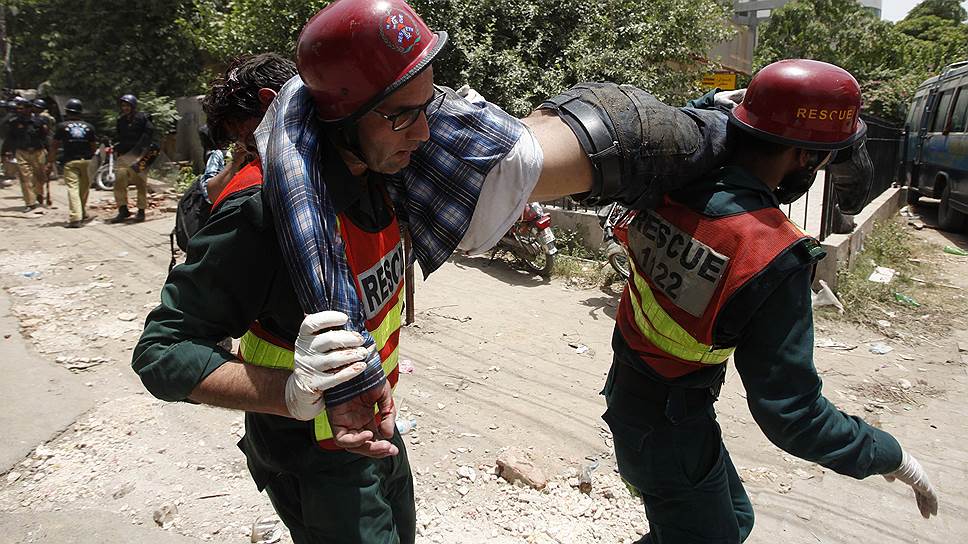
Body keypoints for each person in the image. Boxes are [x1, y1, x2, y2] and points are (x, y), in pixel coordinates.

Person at [135, 2, 751, 542]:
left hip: (374, 417)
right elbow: (162, 352)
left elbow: (532, 149)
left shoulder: (390, 171)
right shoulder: (265, 212)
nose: (425, 133)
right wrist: (290, 394)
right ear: (340, 117)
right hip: (310, 448)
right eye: (401, 116)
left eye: (425, 107)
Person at [596, 59, 938, 543]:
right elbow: (794, 416)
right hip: (668, 422)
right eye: (824, 156)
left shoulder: (674, 178)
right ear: (804, 157)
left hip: (638, 396)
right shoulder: (770, 252)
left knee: (735, 521)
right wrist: (888, 454)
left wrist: (712, 108)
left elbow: (679, 131)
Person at [49, 98, 97, 227]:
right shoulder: (89, 127)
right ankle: (81, 212)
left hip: (71, 162)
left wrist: (50, 161)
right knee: (84, 189)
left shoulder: (62, 127)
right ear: (80, 112)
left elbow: (54, 145)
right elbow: (94, 146)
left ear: (67, 112)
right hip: (88, 161)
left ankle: (76, 218)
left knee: (73, 190)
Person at [109, 93, 153, 223]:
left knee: (140, 184)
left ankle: (141, 211)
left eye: (127, 105)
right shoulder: (121, 120)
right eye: (123, 105)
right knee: (119, 183)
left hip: (139, 156)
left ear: (133, 106)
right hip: (123, 156)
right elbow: (119, 137)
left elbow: (148, 136)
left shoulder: (143, 118)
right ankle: (123, 210)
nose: (125, 108)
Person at [4, 96, 49, 210]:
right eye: (17, 108)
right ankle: (30, 203)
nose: (18, 111)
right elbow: (9, 138)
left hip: (38, 151)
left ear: (29, 109)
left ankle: (38, 192)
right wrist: (5, 152)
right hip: (22, 152)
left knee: (40, 176)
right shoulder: (14, 122)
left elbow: (45, 137)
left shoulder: (40, 121)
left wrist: (48, 151)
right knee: (25, 178)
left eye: (21, 108)